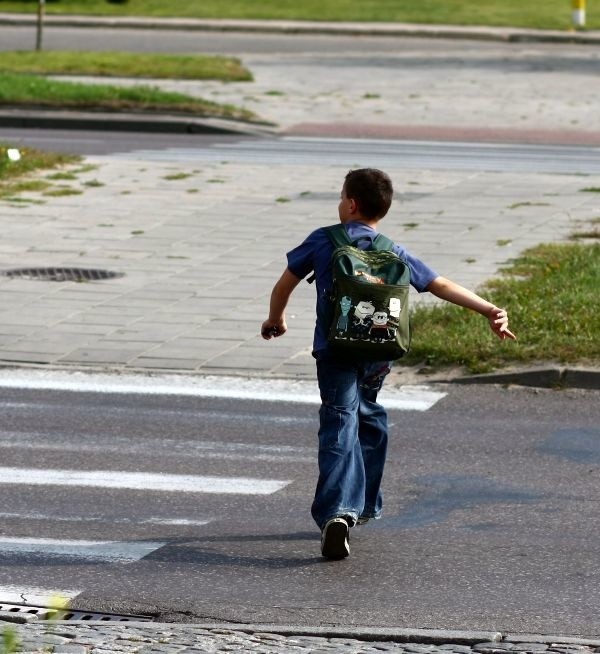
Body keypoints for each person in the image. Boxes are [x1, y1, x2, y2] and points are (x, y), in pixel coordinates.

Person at [261, 168, 516, 560]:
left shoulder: (324, 240)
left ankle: (338, 513)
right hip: (379, 352)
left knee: (340, 422)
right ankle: (362, 505)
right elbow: (439, 284)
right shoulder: (392, 250)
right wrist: (489, 309)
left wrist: (275, 319)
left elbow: (285, 284)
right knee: (369, 415)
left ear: (350, 203)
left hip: (335, 351)